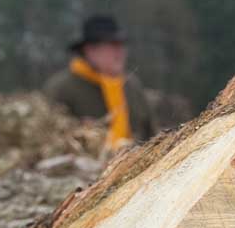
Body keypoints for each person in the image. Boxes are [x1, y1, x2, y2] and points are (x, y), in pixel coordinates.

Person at [43, 14, 158, 148]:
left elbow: (152, 136)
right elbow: (50, 141)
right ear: (90, 50)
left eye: (122, 45)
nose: (120, 52)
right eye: (113, 45)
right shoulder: (61, 88)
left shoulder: (132, 86)